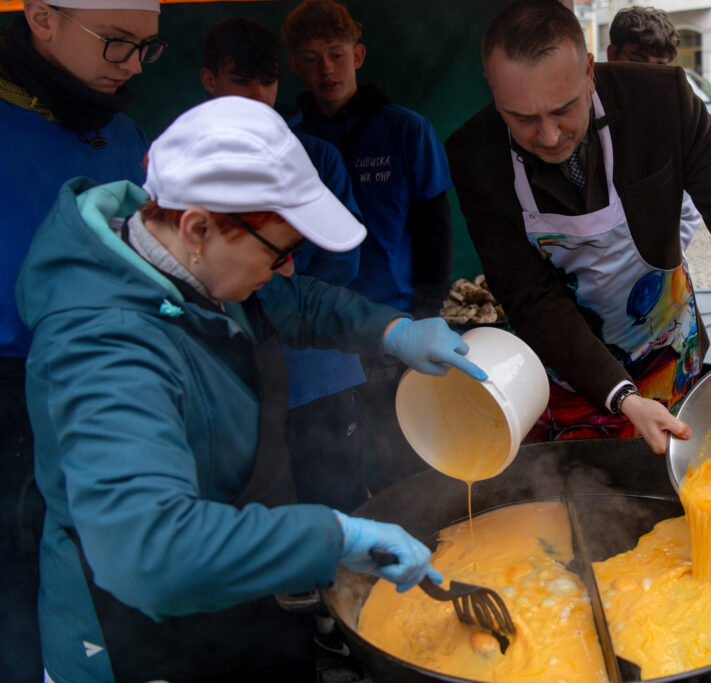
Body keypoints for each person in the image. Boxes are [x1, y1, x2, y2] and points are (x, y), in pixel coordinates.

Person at [16, 96, 486, 682]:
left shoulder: (188, 261)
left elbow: (296, 299)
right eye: (282, 252)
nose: (291, 268)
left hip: (230, 558)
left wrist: (395, 331)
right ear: (198, 227)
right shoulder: (105, 347)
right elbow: (151, 555)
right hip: (134, 623)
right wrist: (335, 535)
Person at [446, 0, 711, 455]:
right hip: (567, 366)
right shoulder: (473, 154)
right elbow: (530, 298)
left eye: (563, 109)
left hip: (668, 348)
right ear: (492, 89)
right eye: (522, 118)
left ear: (590, 71)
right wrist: (621, 394)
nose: (550, 136)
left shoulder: (662, 100)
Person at [0, 0, 162, 679]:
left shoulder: (122, 133)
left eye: (148, 47)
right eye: (116, 42)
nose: (131, 64)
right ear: (41, 17)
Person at [201, 15, 371, 513]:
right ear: (209, 79)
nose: (257, 95)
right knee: (257, 513)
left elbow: (345, 263)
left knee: (340, 506)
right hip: (235, 379)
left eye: (268, 80)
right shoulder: (185, 162)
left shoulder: (317, 158)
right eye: (240, 80)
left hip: (320, 368)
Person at [282, 0, 455, 491]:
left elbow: (436, 231)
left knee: (410, 454)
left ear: (358, 55)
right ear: (293, 64)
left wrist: (425, 314)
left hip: (396, 323)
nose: (326, 69)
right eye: (311, 58)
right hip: (320, 333)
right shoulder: (290, 141)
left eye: (335, 54)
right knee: (335, 463)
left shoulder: (406, 129)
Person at [606, 5, 702, 251]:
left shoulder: (679, 121)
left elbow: (689, 211)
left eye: (659, 66)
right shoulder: (586, 117)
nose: (646, 76)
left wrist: (660, 261)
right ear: (612, 55)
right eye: (637, 62)